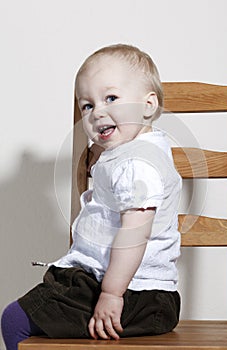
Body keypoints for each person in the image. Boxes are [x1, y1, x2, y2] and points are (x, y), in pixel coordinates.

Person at [1, 44, 182, 349]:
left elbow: (135, 231)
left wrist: (111, 294)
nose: (97, 112)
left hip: (136, 296)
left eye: (111, 98)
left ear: (148, 105)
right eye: (87, 106)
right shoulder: (135, 151)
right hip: (135, 291)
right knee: (55, 288)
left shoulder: (138, 164)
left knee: (15, 320)